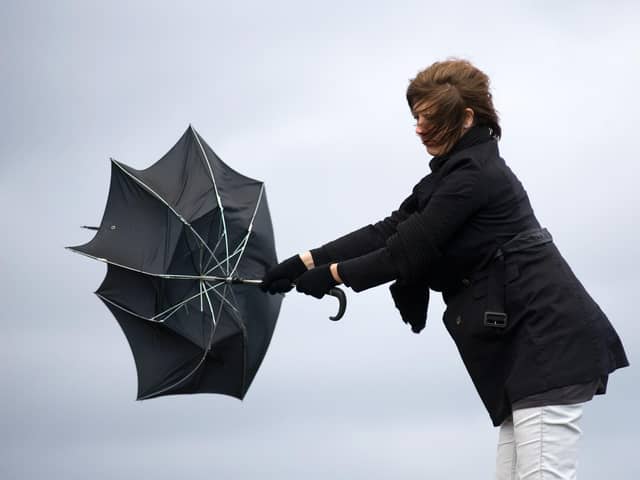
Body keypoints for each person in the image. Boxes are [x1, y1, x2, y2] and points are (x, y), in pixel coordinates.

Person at [260, 58, 629, 479]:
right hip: (525, 355)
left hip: (547, 347)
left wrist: (332, 276)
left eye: (429, 118)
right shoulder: (452, 176)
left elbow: (405, 253)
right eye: (416, 117)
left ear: (467, 117)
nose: (418, 128)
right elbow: (391, 229)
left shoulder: (474, 177)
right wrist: (306, 261)